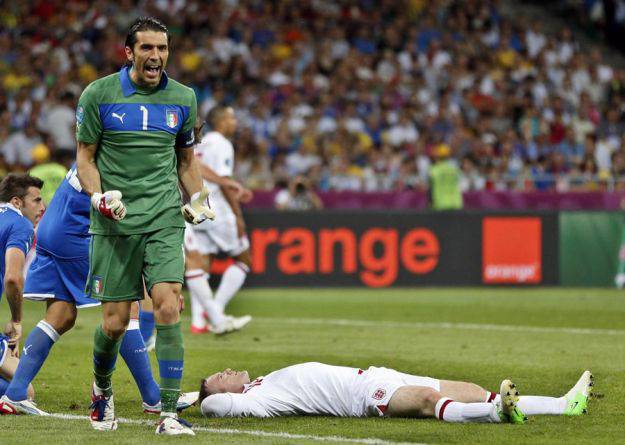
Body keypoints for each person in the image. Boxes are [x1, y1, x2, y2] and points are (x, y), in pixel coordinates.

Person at [75, 17, 214, 435]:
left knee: (168, 304)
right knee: (115, 323)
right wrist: (98, 197)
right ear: (129, 52)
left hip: (164, 218)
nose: (156, 56)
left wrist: (199, 199)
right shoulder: (99, 94)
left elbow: (186, 162)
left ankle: (168, 413)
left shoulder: (183, 97)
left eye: (162, 48)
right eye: (147, 48)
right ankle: (102, 389)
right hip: (115, 222)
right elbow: (85, 158)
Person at [0, 165, 197, 416]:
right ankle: (152, 396)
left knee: (61, 315)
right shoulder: (127, 156)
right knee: (125, 307)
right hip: (76, 232)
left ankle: (15, 394)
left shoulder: (98, 150)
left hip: (55, 227)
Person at [199, 362, 593, 425]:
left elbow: (215, 394)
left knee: (473, 390)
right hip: (362, 397)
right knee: (426, 400)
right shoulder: (256, 401)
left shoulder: (261, 382)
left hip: (376, 375)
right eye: (219, 376)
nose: (226, 371)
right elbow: (213, 405)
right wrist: (191, 398)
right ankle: (498, 415)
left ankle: (565, 405)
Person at [185, 106, 253, 334]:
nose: (235, 122)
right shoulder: (223, 144)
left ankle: (199, 321)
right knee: (244, 258)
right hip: (218, 210)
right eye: (231, 118)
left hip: (196, 205)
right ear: (221, 121)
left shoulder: (201, 142)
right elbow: (224, 183)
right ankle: (216, 310)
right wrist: (238, 215)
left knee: (201, 263)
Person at [0, 174, 45, 355]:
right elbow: (12, 279)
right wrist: (16, 320)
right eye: (37, 200)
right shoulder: (20, 224)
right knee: (18, 373)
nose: (43, 207)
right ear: (17, 202)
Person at [428, 144, 463, 211]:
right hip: (455, 202)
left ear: (437, 157)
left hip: (440, 204)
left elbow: (430, 189)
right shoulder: (454, 169)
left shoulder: (433, 170)